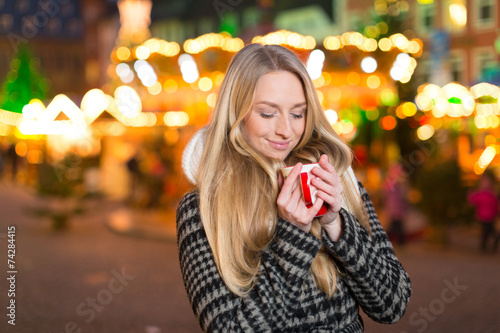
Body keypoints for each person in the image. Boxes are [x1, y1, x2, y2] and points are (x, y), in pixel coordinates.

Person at [176, 44, 411, 332]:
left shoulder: (339, 181)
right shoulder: (202, 208)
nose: (286, 130)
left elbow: (392, 305)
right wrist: (293, 236)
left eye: (297, 114)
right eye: (267, 113)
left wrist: (336, 224)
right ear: (235, 113)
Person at [468, 171, 499, 252]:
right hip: (483, 216)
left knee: (489, 232)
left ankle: (486, 247)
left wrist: (496, 213)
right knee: (487, 232)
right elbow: (473, 201)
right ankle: (484, 247)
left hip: (491, 216)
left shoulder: (492, 193)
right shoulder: (481, 193)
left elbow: (495, 205)